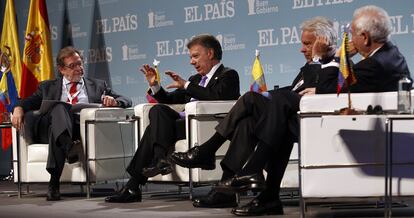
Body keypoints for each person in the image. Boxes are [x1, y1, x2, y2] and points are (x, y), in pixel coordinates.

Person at [180, 5, 410, 216]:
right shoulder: (387, 57)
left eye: (352, 35)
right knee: (259, 113)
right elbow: (313, 90)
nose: (348, 41)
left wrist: (324, 59)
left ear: (365, 37)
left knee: (267, 104)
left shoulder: (370, 63)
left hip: (341, 127)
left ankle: (231, 165)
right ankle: (263, 193)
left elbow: (331, 91)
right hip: (323, 120)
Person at [170, 16, 339, 213]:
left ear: (323, 41)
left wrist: (317, 58)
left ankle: (209, 152)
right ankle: (263, 197)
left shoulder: (334, 64)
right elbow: (294, 90)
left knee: (250, 99)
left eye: (307, 44)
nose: (302, 49)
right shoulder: (313, 66)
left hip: (310, 121)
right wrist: (266, 95)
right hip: (287, 117)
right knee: (247, 122)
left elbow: (317, 90)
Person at [105, 34, 240, 203]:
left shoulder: (228, 75)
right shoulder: (195, 79)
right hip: (180, 124)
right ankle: (158, 161)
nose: (192, 61)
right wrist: (154, 85)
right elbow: (170, 100)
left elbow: (217, 96)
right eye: (191, 57)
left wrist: (187, 86)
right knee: (158, 111)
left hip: (203, 125)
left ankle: (135, 184)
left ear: (210, 54)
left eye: (195, 56)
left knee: (151, 131)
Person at [11, 46, 132, 201]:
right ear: (62, 70)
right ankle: (68, 146)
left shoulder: (98, 86)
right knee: (59, 108)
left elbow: (127, 100)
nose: (78, 68)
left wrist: (114, 101)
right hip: (47, 126)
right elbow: (27, 101)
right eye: (72, 66)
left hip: (78, 128)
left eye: (79, 64)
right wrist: (18, 108)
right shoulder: (47, 87)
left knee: (56, 131)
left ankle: (54, 182)